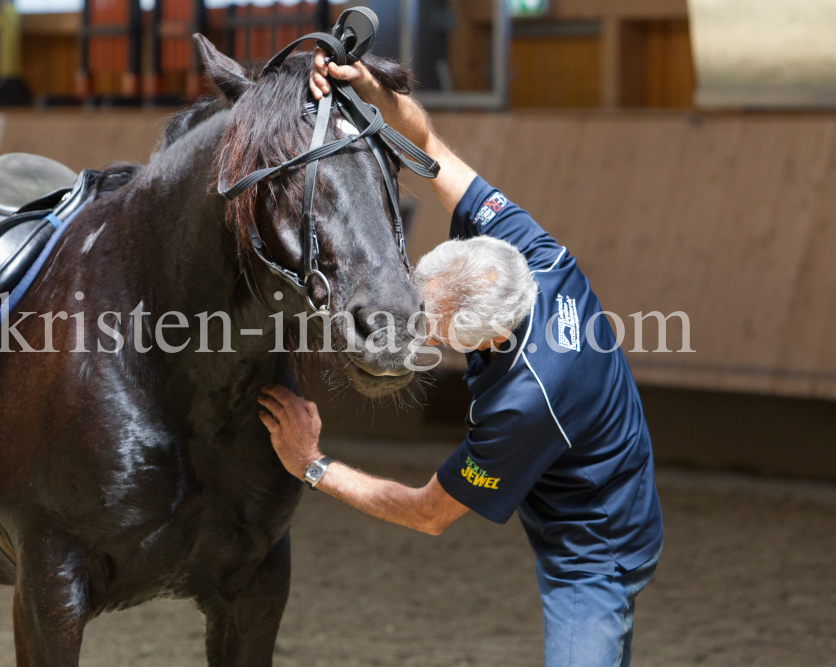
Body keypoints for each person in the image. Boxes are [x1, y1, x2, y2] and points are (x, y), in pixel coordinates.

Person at [257, 50, 664, 667]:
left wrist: (311, 464)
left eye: (434, 328)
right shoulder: (534, 251)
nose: (419, 328)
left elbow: (427, 513)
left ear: (491, 339)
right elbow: (433, 149)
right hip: (613, 461)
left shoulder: (525, 403)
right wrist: (371, 91)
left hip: (596, 548)